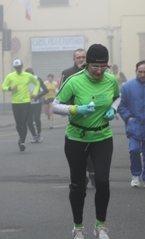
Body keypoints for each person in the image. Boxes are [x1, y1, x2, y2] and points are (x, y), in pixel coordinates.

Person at [53, 44, 120, 239]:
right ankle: (78, 228)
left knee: (103, 182)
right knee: (78, 185)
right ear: (87, 64)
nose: (99, 71)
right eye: (95, 67)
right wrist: (75, 109)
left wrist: (113, 109)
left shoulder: (110, 80)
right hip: (76, 138)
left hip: (102, 137)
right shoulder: (74, 81)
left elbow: (118, 97)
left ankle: (100, 226)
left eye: (103, 67)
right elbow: (55, 106)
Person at [60, 48, 95, 187]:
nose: (81, 60)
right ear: (74, 59)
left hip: (93, 116)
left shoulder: (93, 71)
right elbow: (63, 96)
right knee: (79, 148)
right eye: (78, 57)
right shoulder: (67, 73)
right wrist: (73, 110)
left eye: (83, 57)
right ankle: (82, 175)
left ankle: (93, 173)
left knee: (92, 145)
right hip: (76, 116)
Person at [2, 59, 40, 151]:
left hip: (26, 102)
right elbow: (3, 87)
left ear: (22, 67)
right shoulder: (10, 76)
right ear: (14, 68)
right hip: (15, 102)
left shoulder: (28, 75)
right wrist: (11, 88)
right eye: (16, 68)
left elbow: (37, 83)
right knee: (18, 124)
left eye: (19, 67)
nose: (18, 69)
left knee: (23, 122)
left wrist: (34, 93)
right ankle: (21, 137)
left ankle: (22, 141)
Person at [25, 68, 49, 143]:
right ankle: (34, 136)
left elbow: (46, 90)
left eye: (31, 75)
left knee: (36, 119)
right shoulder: (23, 80)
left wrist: (37, 96)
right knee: (29, 121)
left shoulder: (37, 79)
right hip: (27, 103)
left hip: (37, 103)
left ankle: (39, 134)